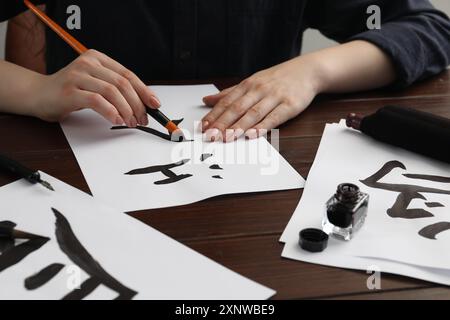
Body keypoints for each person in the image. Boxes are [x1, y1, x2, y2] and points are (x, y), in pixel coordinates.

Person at [0, 1, 449, 142]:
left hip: (258, 187)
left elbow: (428, 28)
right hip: (74, 179)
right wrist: (36, 90)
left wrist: (311, 72)